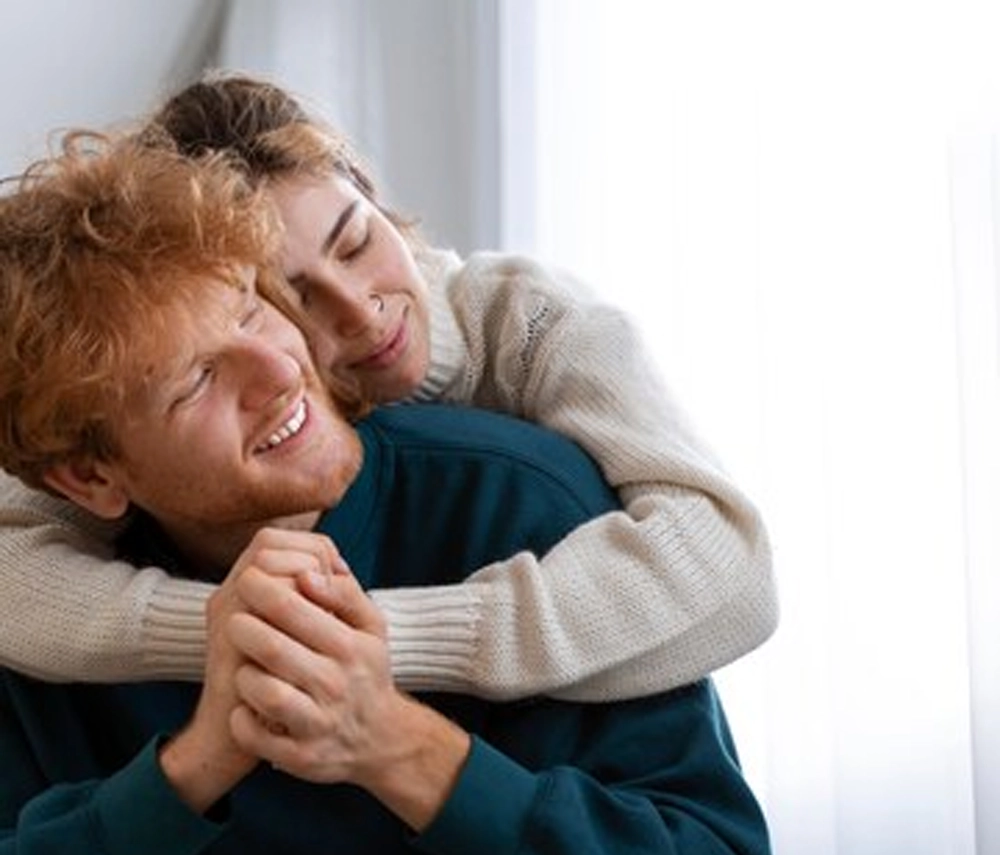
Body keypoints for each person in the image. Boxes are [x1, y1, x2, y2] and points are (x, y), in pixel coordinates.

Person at [0, 133, 782, 855]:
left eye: (253, 310)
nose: (279, 370)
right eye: (194, 382)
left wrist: (399, 746)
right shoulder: (49, 611)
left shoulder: (524, 498)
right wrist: (197, 763)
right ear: (90, 478)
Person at [0, 72, 778, 701]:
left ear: (376, 199)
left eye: (358, 240)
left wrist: (374, 636)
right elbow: (15, 579)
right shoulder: (203, 385)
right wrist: (237, 629)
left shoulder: (535, 326)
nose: (361, 311)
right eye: (289, 296)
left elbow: (732, 576)